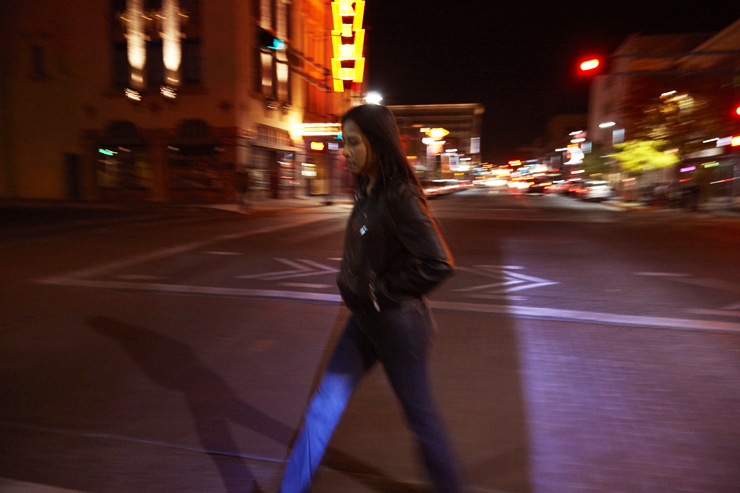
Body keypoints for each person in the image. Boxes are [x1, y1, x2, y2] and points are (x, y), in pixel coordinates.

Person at [276, 104, 464, 493]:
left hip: (398, 325)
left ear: (378, 143)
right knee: (324, 404)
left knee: (421, 418)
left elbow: (438, 262)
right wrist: (367, 295)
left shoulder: (399, 195)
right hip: (365, 319)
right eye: (344, 142)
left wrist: (383, 291)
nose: (345, 150)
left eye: (354, 142)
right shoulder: (367, 189)